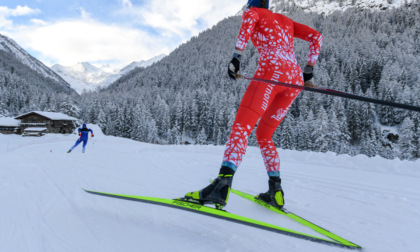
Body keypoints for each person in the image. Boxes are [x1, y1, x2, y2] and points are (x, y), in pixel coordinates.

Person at [185, 0, 323, 209]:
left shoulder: (253, 13)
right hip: (293, 81)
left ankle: (221, 187)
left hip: (271, 74)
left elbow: (247, 26)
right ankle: (275, 191)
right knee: (264, 136)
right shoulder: (286, 21)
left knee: (241, 128)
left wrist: (236, 57)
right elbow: (316, 37)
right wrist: (309, 70)